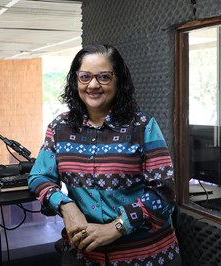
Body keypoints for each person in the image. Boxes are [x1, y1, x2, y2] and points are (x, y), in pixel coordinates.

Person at [28, 44, 181, 265]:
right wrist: (66, 205)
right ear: (75, 81)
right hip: (85, 255)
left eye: (104, 77)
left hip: (147, 255)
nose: (93, 85)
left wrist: (117, 227)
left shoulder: (143, 126)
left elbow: (164, 192)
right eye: (85, 76)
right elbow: (38, 177)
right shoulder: (59, 127)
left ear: (118, 80)